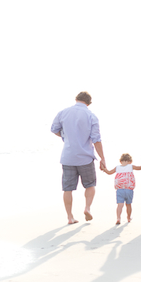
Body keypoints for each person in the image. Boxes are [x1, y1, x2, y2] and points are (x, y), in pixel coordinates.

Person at [51, 91, 106, 224]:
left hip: (68, 157)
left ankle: (70, 217)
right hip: (85, 157)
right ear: (88, 103)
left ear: (76, 99)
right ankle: (87, 208)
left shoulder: (63, 112)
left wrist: (66, 137)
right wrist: (102, 158)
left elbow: (54, 129)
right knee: (90, 185)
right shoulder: (91, 116)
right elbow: (96, 139)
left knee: (67, 188)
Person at [101, 153, 141, 224]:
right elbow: (140, 167)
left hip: (119, 190)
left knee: (120, 205)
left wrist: (103, 168)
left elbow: (109, 172)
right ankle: (128, 218)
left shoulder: (117, 167)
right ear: (130, 161)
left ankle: (118, 218)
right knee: (128, 204)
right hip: (129, 189)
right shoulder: (131, 166)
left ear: (120, 161)